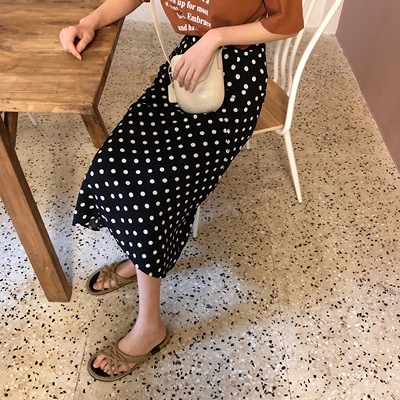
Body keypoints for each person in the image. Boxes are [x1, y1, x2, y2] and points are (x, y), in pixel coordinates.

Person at [59, 0, 304, 382]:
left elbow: (289, 21)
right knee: (110, 169)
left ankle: (150, 327)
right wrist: (91, 21)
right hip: (187, 66)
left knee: (149, 196)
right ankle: (143, 257)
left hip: (235, 82)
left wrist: (215, 38)